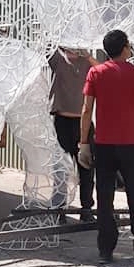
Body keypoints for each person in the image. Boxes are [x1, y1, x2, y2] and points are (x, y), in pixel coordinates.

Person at [79, 29, 134, 264]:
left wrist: (83, 143)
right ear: (125, 48)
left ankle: (106, 250)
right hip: (129, 143)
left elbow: (86, 110)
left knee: (104, 198)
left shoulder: (96, 73)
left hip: (103, 143)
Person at [49, 47, 97, 221]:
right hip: (61, 121)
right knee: (61, 169)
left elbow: (103, 71)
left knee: (86, 167)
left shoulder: (87, 61)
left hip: (83, 122)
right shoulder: (58, 58)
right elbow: (44, 46)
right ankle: (59, 209)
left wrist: (88, 56)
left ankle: (86, 208)